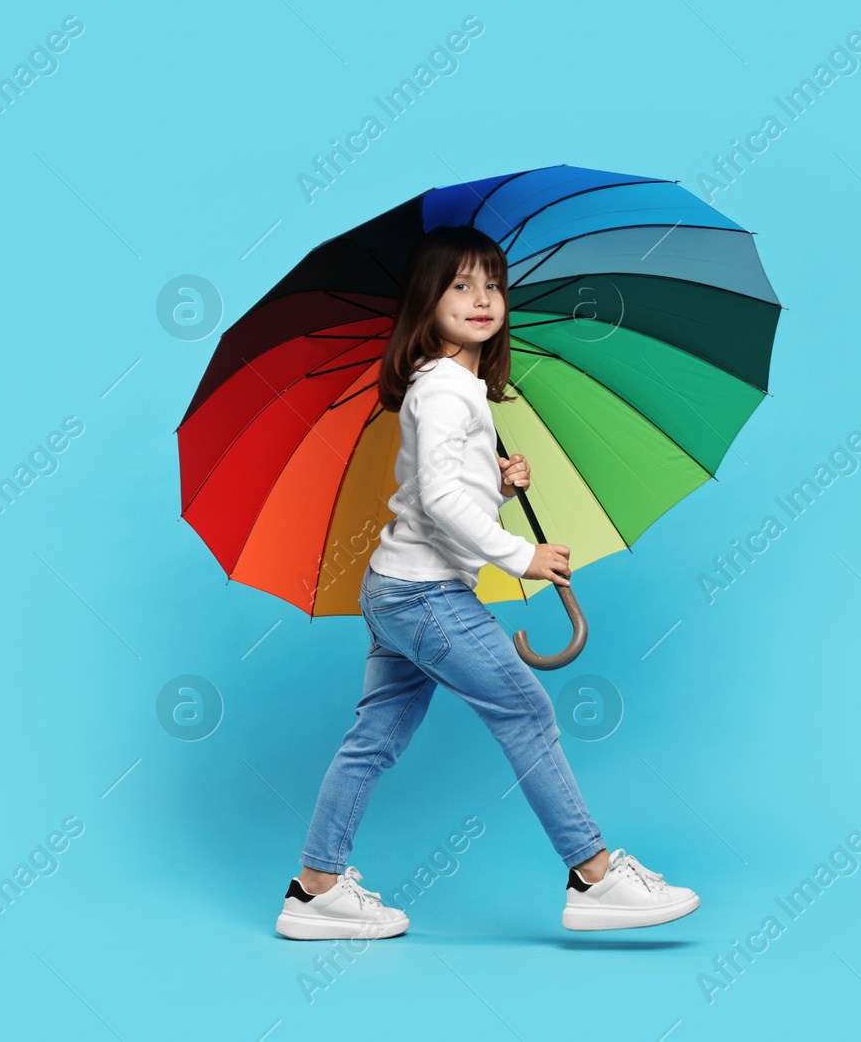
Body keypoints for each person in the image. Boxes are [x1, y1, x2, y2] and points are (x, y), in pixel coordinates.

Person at [274, 225, 699, 940]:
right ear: (426, 302)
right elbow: (439, 502)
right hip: (428, 596)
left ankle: (313, 890)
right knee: (527, 713)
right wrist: (519, 554)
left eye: (492, 284)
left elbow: (435, 493)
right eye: (459, 286)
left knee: (374, 736)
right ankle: (592, 876)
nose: (481, 299)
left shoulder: (451, 388)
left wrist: (493, 486)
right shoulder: (447, 390)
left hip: (395, 588)